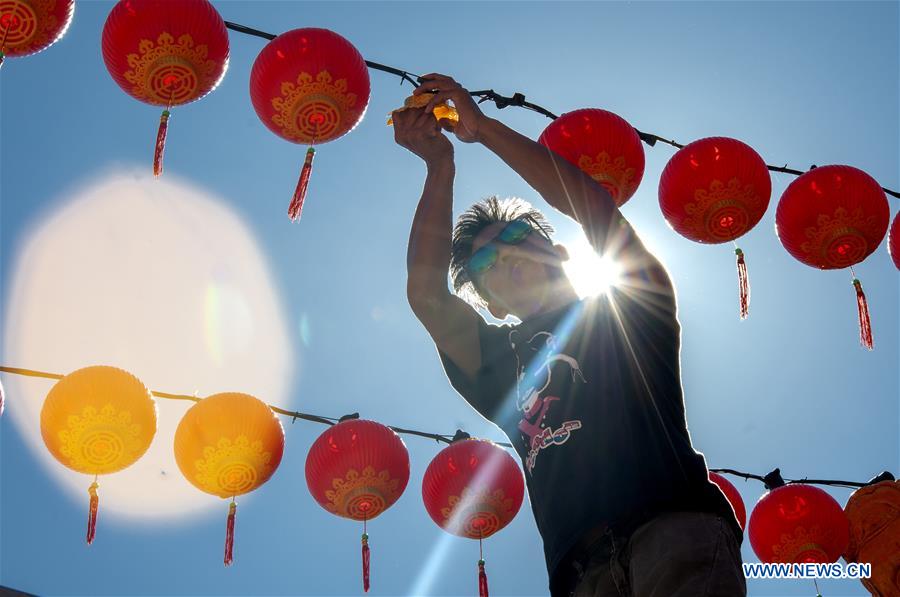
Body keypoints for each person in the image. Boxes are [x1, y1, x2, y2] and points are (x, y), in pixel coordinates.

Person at [392, 73, 746, 597]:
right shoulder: (496, 365)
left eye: (518, 236)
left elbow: (595, 208)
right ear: (489, 303)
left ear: (561, 254)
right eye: (486, 261)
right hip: (580, 574)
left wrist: (483, 128)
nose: (506, 254)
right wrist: (439, 165)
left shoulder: (630, 309)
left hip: (673, 530)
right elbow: (426, 295)